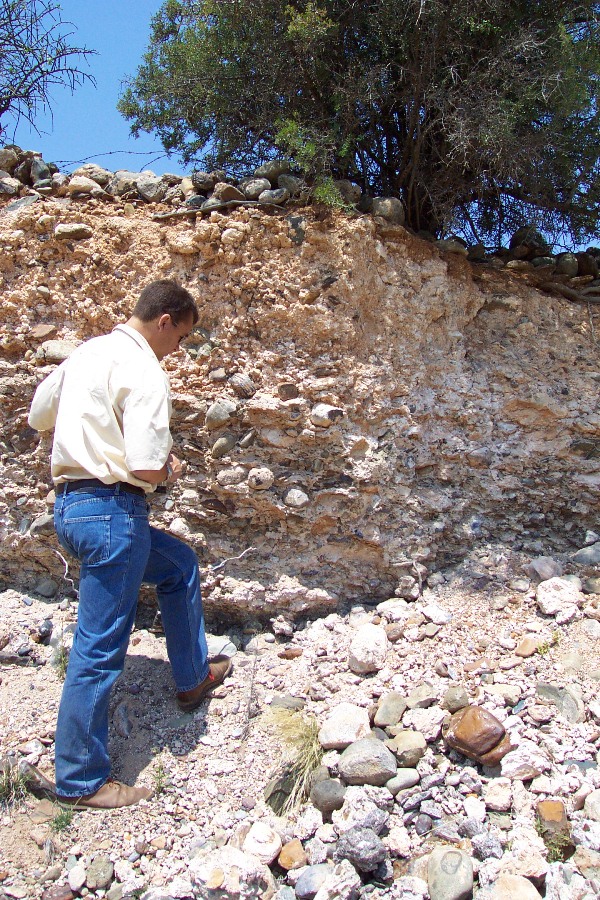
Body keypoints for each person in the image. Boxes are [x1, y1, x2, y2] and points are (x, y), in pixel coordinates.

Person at [28, 279, 232, 810]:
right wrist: (168, 469)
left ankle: (192, 678)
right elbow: (144, 466)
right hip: (114, 515)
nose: (178, 350)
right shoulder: (145, 369)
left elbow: (38, 415)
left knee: (178, 564)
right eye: (180, 337)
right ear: (165, 321)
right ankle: (80, 781)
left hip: (73, 510)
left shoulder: (86, 353)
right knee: (98, 648)